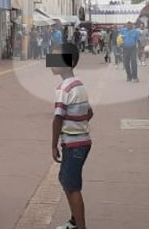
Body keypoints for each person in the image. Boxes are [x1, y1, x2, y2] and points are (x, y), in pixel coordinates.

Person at [51, 43, 93, 229]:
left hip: (74, 144)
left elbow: (57, 119)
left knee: (72, 186)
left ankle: (80, 226)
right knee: (66, 180)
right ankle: (74, 221)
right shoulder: (79, 84)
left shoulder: (64, 88)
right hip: (82, 142)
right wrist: (79, 123)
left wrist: (53, 145)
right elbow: (90, 112)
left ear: (71, 62)